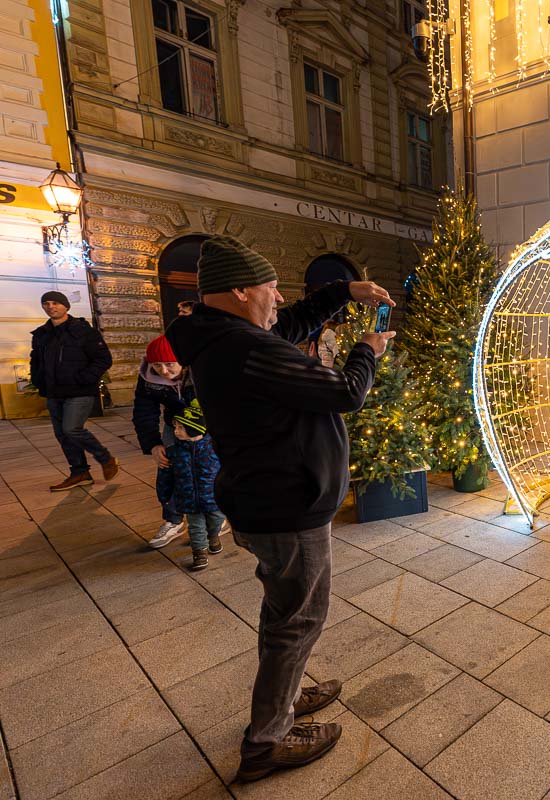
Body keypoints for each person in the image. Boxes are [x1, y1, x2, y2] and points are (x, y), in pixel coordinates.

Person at [166, 236, 393, 783]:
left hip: (267, 497)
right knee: (298, 620)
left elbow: (287, 325)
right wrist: (368, 350)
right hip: (287, 506)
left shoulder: (223, 335)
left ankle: (284, 698)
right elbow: (343, 391)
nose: (277, 298)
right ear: (241, 291)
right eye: (270, 288)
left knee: (285, 614)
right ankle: (266, 741)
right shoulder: (245, 348)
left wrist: (344, 290)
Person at [30, 290, 119, 491]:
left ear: (66, 306)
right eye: (46, 303)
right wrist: (38, 380)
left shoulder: (83, 331)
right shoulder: (41, 334)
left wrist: (84, 378)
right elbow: (36, 360)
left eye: (55, 303)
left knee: (72, 429)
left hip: (79, 391)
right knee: (62, 434)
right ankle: (80, 472)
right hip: (54, 392)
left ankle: (105, 458)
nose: (51, 307)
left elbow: (103, 359)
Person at [133, 335, 196, 548]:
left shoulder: (201, 368)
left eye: (169, 364)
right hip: (175, 423)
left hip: (208, 424)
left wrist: (199, 432)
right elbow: (143, 412)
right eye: (157, 365)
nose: (164, 371)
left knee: (208, 468)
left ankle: (215, 517)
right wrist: (153, 444)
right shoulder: (148, 378)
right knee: (168, 466)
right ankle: (173, 520)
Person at [163, 399, 225, 571]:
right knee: (196, 526)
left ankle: (213, 536)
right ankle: (199, 553)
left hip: (212, 497)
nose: (175, 431)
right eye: (175, 427)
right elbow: (166, 475)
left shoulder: (213, 448)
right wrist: (165, 495)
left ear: (194, 428)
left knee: (217, 520)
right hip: (188, 498)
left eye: (180, 427)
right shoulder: (174, 452)